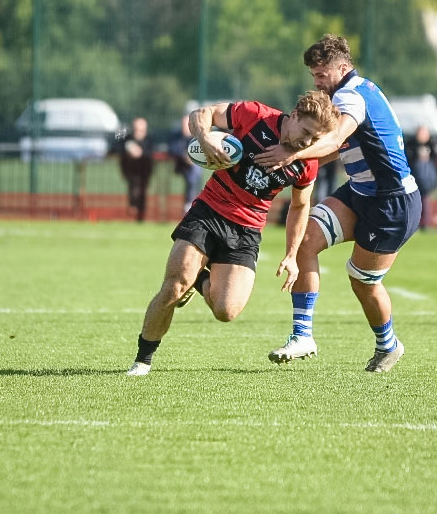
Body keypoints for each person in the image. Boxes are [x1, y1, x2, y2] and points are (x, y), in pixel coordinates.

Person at [130, 91, 338, 376]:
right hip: (209, 211)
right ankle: (143, 360)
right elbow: (201, 114)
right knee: (174, 286)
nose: (308, 142)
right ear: (294, 116)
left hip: (246, 230)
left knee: (226, 311)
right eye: (306, 132)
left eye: (315, 139)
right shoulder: (256, 116)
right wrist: (204, 139)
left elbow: (300, 206)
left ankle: (199, 279)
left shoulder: (307, 162)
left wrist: (291, 255)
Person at [257, 34, 424, 373]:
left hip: (392, 203)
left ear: (343, 68)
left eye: (321, 75)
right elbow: (339, 147)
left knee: (362, 280)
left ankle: (388, 344)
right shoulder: (350, 92)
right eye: (313, 75)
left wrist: (291, 155)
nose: (317, 82)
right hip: (360, 192)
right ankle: (302, 336)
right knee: (305, 240)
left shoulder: (351, 96)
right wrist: (299, 166)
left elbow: (334, 138)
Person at [119, 117, 157, 222]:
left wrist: (141, 152)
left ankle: (141, 214)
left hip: (145, 170)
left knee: (142, 190)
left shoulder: (149, 140)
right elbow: (116, 144)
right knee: (134, 188)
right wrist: (129, 149)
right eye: (136, 130)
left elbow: (152, 152)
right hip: (130, 171)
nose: (138, 133)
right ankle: (134, 211)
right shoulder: (126, 138)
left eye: (141, 130)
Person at [168, 113, 203, 210]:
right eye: (183, 124)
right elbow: (172, 149)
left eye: (187, 124)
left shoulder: (197, 137)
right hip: (181, 165)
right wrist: (184, 156)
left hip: (194, 166)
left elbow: (202, 152)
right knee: (193, 174)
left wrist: (192, 158)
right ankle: (190, 202)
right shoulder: (176, 136)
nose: (185, 127)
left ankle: (192, 201)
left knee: (195, 171)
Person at [408, 124, 437, 228]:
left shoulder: (432, 146)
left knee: (425, 201)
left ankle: (425, 222)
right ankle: (414, 222)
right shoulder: (411, 145)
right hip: (414, 177)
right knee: (414, 201)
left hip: (426, 180)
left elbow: (435, 164)